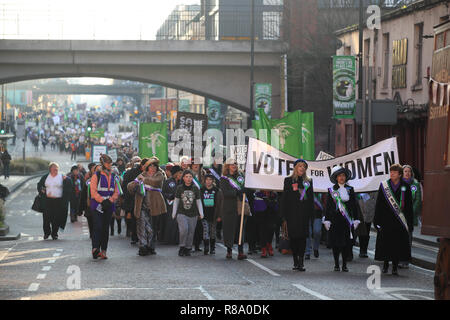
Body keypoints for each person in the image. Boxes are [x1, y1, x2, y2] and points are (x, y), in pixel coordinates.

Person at [373, 164, 414, 275]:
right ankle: (386, 265)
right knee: (386, 244)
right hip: (386, 220)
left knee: (397, 244)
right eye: (391, 172)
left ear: (399, 174)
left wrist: (410, 223)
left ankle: (395, 267)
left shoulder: (405, 186)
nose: (392, 174)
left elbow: (409, 206)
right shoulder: (384, 186)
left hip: (399, 221)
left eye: (394, 172)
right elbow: (379, 204)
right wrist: (376, 220)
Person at [323, 166, 362, 272]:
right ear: (336, 178)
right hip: (335, 220)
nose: (341, 177)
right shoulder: (331, 190)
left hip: (347, 220)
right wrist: (327, 220)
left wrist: (356, 219)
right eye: (339, 176)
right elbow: (329, 206)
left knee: (346, 243)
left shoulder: (350, 189)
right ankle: (336, 264)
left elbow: (354, 206)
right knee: (336, 244)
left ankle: (344, 264)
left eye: (343, 175)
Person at [128, 157, 167, 256]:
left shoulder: (159, 175)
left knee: (152, 227)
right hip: (142, 204)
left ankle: (151, 246)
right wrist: (135, 186)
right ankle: (143, 247)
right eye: (151, 166)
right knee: (141, 226)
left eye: (154, 166)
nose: (153, 168)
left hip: (155, 205)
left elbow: (156, 182)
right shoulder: (141, 175)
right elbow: (130, 186)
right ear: (147, 167)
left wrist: (144, 180)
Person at [280, 159, 314, 271]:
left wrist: (311, 214)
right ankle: (295, 259)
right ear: (295, 168)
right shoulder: (288, 180)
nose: (302, 168)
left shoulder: (308, 181)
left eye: (304, 166)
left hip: (304, 214)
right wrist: (284, 215)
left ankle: (301, 261)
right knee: (294, 238)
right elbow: (284, 198)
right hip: (292, 214)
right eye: (300, 166)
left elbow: (311, 199)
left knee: (303, 238)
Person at [90, 154, 120, 260]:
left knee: (105, 229)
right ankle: (95, 249)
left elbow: (117, 191)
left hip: (109, 205)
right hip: (97, 205)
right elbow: (93, 192)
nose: (110, 165)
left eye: (111, 163)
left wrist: (111, 200)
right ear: (103, 164)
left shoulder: (114, 176)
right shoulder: (96, 176)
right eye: (108, 163)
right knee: (97, 226)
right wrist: (102, 201)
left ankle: (103, 251)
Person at [219, 159, 249, 260]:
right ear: (227, 166)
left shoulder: (241, 177)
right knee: (229, 229)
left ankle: (240, 251)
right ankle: (229, 251)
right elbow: (226, 192)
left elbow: (247, 188)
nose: (234, 165)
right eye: (231, 164)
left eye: (235, 164)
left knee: (240, 229)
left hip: (241, 206)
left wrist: (246, 189)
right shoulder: (224, 179)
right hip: (229, 207)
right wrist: (238, 192)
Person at [172, 170, 204, 257]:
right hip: (181, 213)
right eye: (186, 177)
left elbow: (198, 201)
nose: (188, 179)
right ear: (183, 178)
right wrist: (174, 213)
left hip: (193, 214)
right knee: (184, 230)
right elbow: (176, 201)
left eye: (190, 177)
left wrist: (201, 213)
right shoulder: (180, 188)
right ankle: (182, 246)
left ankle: (188, 248)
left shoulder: (195, 188)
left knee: (191, 231)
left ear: (192, 178)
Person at [37, 162, 72, 240]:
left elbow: (69, 184)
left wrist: (67, 180)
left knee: (56, 218)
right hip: (47, 200)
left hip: (58, 201)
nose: (56, 171)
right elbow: (39, 185)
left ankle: (54, 233)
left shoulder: (61, 177)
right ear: (50, 169)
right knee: (46, 218)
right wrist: (41, 190)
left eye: (57, 169)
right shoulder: (46, 177)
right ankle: (46, 233)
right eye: (54, 169)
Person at [200, 173, 223, 255]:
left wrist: (220, 215)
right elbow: (199, 202)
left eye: (210, 180)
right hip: (204, 214)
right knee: (205, 231)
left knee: (212, 232)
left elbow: (220, 204)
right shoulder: (201, 190)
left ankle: (212, 248)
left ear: (213, 181)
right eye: (207, 180)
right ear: (204, 181)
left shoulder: (217, 190)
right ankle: (206, 247)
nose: (208, 181)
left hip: (214, 214)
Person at [121, 156, 142, 245]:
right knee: (133, 219)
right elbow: (125, 187)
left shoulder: (144, 173)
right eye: (136, 161)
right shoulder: (128, 173)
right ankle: (134, 235)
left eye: (139, 161)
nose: (137, 163)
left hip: (141, 199)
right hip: (131, 199)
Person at [251, 190, 278, 258]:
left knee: (271, 231)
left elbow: (274, 205)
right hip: (261, 215)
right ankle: (264, 249)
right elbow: (256, 206)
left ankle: (269, 245)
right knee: (262, 232)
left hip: (271, 215)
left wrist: (268, 199)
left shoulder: (273, 194)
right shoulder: (258, 194)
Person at [162, 165, 183, 245]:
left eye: (181, 173)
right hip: (170, 204)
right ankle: (169, 239)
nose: (181, 175)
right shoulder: (168, 182)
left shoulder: (183, 182)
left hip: (181, 205)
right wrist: (169, 196)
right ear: (175, 173)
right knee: (171, 222)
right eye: (179, 173)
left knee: (179, 222)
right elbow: (163, 193)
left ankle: (178, 239)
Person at [305, 193, 326, 259]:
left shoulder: (321, 189)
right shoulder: (306, 186)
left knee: (317, 231)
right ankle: (307, 252)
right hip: (307, 212)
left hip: (318, 213)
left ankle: (316, 248)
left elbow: (325, 201)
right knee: (308, 232)